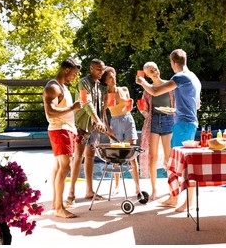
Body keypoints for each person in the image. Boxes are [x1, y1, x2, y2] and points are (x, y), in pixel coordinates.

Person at [136, 49, 201, 212]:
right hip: (188, 122)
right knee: (179, 163)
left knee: (182, 164)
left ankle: (185, 201)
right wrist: (176, 111)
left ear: (172, 62)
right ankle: (175, 198)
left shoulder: (179, 77)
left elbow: (156, 91)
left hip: (183, 124)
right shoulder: (194, 77)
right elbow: (197, 105)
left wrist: (142, 82)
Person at [43, 57, 82, 218]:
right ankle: (59, 208)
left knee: (60, 167)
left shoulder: (62, 87)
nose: (74, 77)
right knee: (64, 167)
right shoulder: (53, 87)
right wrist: (73, 107)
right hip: (60, 130)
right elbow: (50, 112)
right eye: (74, 74)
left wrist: (74, 129)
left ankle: (55, 203)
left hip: (67, 130)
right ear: (66, 70)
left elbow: (65, 112)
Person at [65, 59, 107, 206]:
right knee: (78, 157)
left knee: (90, 156)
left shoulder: (101, 86)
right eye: (98, 69)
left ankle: (89, 191)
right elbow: (86, 102)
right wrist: (97, 119)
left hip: (94, 128)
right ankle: (71, 193)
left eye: (102, 70)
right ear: (91, 68)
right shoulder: (83, 82)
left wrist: (102, 122)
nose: (101, 72)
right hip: (81, 125)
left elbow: (103, 107)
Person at [100, 66, 142, 196]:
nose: (113, 78)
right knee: (117, 157)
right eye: (110, 77)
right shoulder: (105, 95)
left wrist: (130, 104)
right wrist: (108, 128)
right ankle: (117, 186)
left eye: (114, 75)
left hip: (128, 120)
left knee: (132, 154)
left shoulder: (124, 89)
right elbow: (102, 113)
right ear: (105, 81)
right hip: (115, 122)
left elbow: (128, 106)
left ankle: (137, 187)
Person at [138, 62, 175, 201]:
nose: (155, 71)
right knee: (152, 157)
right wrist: (142, 110)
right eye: (151, 71)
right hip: (153, 121)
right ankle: (154, 189)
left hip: (168, 119)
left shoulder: (169, 85)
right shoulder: (147, 89)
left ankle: (172, 189)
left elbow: (175, 104)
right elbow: (146, 112)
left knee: (168, 158)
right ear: (147, 75)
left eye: (155, 68)